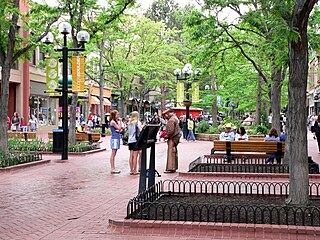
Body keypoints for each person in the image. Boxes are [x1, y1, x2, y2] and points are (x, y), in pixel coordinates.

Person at [163, 109, 181, 173]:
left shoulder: (171, 120)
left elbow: (171, 131)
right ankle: (174, 166)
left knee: (171, 152)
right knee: (174, 151)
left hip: (172, 138)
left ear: (166, 114)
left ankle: (171, 167)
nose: (165, 117)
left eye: (164, 116)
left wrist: (166, 136)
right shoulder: (174, 118)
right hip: (175, 138)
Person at [109, 110, 125, 174]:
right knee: (113, 153)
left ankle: (113, 167)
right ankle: (112, 168)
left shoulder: (115, 122)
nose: (118, 116)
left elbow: (121, 128)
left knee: (114, 153)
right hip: (115, 138)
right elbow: (119, 128)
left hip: (117, 137)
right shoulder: (113, 122)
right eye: (117, 114)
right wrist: (121, 122)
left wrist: (120, 128)